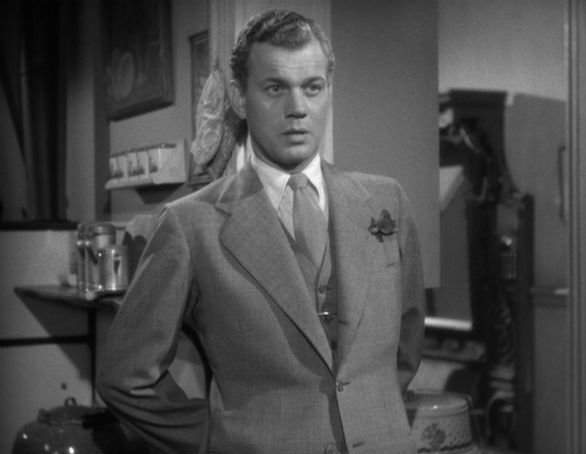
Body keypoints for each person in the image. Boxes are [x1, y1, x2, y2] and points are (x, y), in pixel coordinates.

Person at [98, 9, 425, 454]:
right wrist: (216, 440)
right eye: (275, 88)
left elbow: (406, 347)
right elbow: (125, 376)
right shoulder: (191, 224)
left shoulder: (387, 202)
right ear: (239, 97)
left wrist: (373, 416)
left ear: (328, 90)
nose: (298, 109)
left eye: (313, 87)